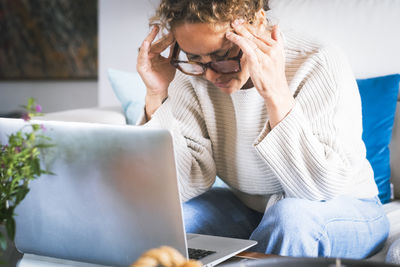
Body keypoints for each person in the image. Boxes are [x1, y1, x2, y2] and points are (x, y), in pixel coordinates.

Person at [136, 0, 389, 258]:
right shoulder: (193, 75)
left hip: (344, 207)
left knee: (289, 219)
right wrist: (157, 95)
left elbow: (318, 189)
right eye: (194, 58)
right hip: (252, 208)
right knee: (166, 221)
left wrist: (275, 92)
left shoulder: (317, 60)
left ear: (257, 22)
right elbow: (185, 183)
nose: (211, 75)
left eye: (223, 56)